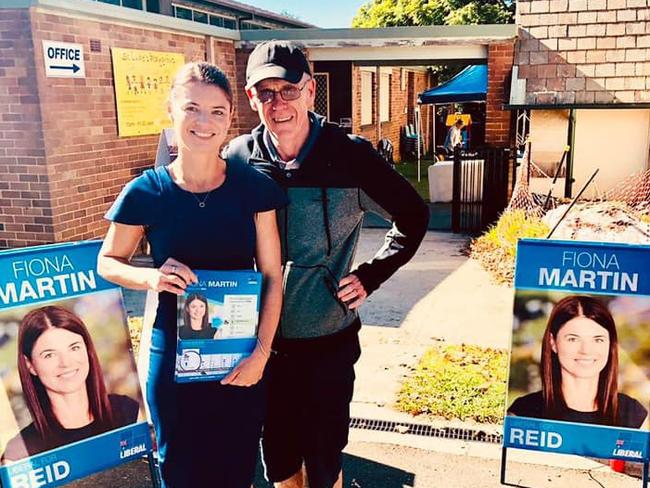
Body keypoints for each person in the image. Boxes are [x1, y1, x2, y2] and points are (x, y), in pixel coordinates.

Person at [225, 41, 429, 488]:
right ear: (250, 96)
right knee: (277, 462)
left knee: (322, 463)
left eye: (288, 90)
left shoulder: (349, 155)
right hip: (261, 342)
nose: (277, 103)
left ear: (310, 90)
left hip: (327, 341)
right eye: (265, 92)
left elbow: (413, 215)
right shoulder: (238, 159)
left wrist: (372, 274)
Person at [97, 62, 286, 487]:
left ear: (230, 119)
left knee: (235, 470)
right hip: (173, 359)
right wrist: (151, 278)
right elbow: (108, 261)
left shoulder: (252, 188)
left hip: (240, 358)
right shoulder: (147, 191)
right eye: (192, 108)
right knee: (180, 470)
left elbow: (273, 275)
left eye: (218, 111)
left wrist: (260, 355)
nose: (205, 122)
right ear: (171, 111)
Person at [1, 306, 139, 462]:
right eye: (49, 355)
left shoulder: (127, 410)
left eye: (74, 348)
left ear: (87, 350)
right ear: (30, 365)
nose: (66, 363)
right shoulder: (19, 451)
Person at [508, 295, 647, 428]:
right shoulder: (524, 412)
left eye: (598, 339)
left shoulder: (633, 414)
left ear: (610, 344)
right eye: (573, 339)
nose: (586, 350)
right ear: (553, 343)